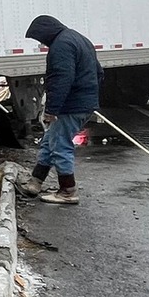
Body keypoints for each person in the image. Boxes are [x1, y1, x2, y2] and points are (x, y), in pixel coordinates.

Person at [19, 14, 100, 204]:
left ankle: (67, 191)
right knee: (49, 141)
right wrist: (89, 98)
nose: (42, 42)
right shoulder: (79, 39)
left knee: (60, 145)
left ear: (46, 32)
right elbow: (98, 72)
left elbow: (61, 79)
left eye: (40, 38)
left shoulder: (61, 46)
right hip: (82, 102)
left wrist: (51, 110)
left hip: (70, 105)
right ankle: (35, 183)